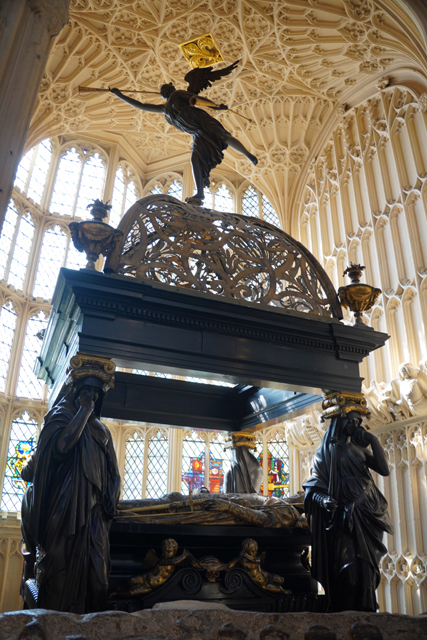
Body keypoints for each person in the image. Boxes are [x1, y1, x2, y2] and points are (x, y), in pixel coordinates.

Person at [20, 376, 121, 613]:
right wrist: (84, 411)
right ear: (76, 392)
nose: (92, 396)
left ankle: (90, 628)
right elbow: (62, 447)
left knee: (99, 582)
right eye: (87, 390)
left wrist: (111, 502)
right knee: (58, 581)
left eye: (96, 393)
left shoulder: (103, 431)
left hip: (95, 516)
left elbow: (114, 473)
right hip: (63, 510)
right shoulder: (61, 418)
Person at [109, 81, 258, 206]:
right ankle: (200, 192)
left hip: (202, 121)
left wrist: (215, 106)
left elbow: (196, 99)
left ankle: (248, 154)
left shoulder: (177, 95)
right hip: (197, 133)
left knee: (222, 136)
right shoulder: (164, 109)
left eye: (166, 88)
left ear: (171, 89)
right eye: (162, 90)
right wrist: (120, 95)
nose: (163, 91)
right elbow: (141, 105)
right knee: (195, 159)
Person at [303, 411, 393, 612]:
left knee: (366, 574)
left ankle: (365, 617)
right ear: (339, 422)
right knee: (348, 574)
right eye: (350, 421)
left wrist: (372, 439)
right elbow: (312, 489)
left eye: (357, 422)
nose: (354, 425)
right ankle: (344, 620)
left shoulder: (360, 450)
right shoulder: (325, 453)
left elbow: (384, 469)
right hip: (342, 520)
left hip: (368, 514)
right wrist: (324, 500)